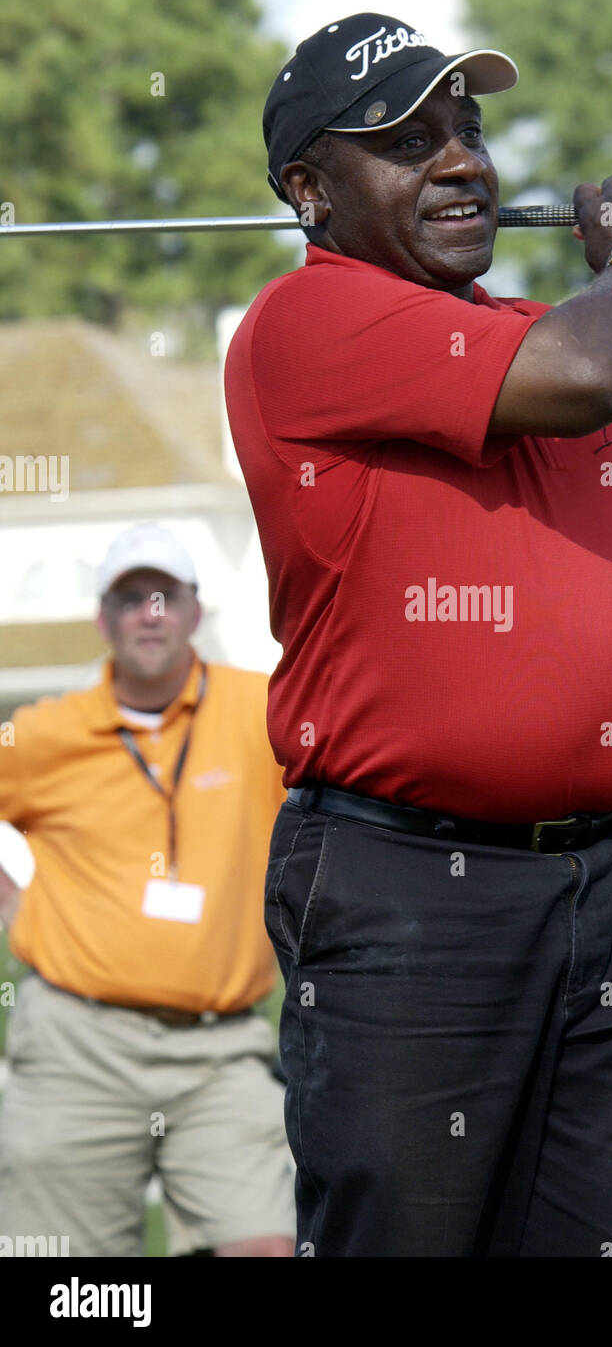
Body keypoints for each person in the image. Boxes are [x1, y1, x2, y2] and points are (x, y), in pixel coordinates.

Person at [224, 10, 612, 1257]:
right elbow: (582, 373)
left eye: (468, 129)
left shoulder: (564, 326)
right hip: (409, 888)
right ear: (309, 191)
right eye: (406, 141)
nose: (459, 161)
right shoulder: (304, 326)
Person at [0, 523, 296, 1258]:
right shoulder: (45, 733)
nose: (150, 612)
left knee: (268, 1245)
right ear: (103, 620)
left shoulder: (261, 713)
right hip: (77, 1043)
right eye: (130, 598)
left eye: (166, 595)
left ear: (196, 612)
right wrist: (11, 899)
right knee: (66, 1281)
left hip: (222, 1046)